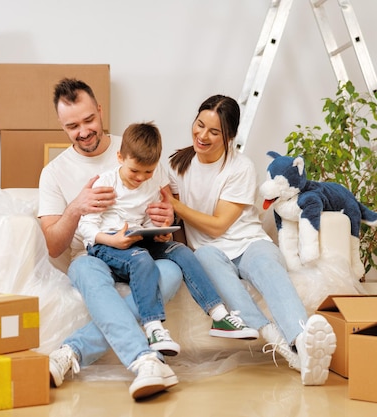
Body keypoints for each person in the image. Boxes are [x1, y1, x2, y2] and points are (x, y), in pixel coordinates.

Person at [165, 94, 337, 386]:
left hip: (249, 244)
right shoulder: (176, 166)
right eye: (199, 125)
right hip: (209, 251)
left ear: (229, 136)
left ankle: (303, 342)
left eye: (214, 131)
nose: (202, 135)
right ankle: (276, 340)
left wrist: (174, 204)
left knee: (270, 270)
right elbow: (178, 225)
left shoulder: (240, 167)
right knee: (203, 258)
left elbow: (219, 225)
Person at [38, 78, 183, 400]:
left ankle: (70, 352)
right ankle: (145, 360)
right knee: (89, 273)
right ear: (62, 126)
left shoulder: (136, 148)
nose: (84, 131)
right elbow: (53, 245)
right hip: (91, 256)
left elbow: (168, 211)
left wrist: (166, 219)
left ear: (100, 111)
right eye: (72, 126)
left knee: (172, 272)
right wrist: (76, 207)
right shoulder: (54, 172)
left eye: (89, 120)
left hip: (141, 252)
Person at [79, 122, 258, 357]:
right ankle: (153, 328)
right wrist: (112, 241)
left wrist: (160, 232)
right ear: (120, 157)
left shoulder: (150, 183)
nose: (141, 178)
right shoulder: (105, 182)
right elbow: (86, 227)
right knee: (141, 258)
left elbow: (147, 220)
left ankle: (219, 315)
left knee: (181, 251)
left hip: (137, 238)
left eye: (148, 172)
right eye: (135, 171)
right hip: (105, 243)